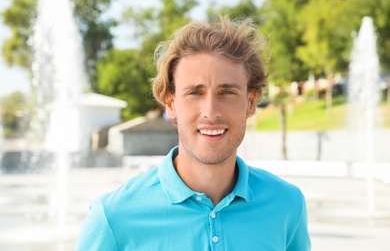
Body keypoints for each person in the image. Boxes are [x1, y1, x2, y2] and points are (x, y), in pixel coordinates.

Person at [75, 16, 311, 250]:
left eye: (227, 92)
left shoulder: (287, 206)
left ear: (250, 102)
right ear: (170, 104)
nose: (211, 112)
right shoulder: (112, 219)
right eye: (195, 93)